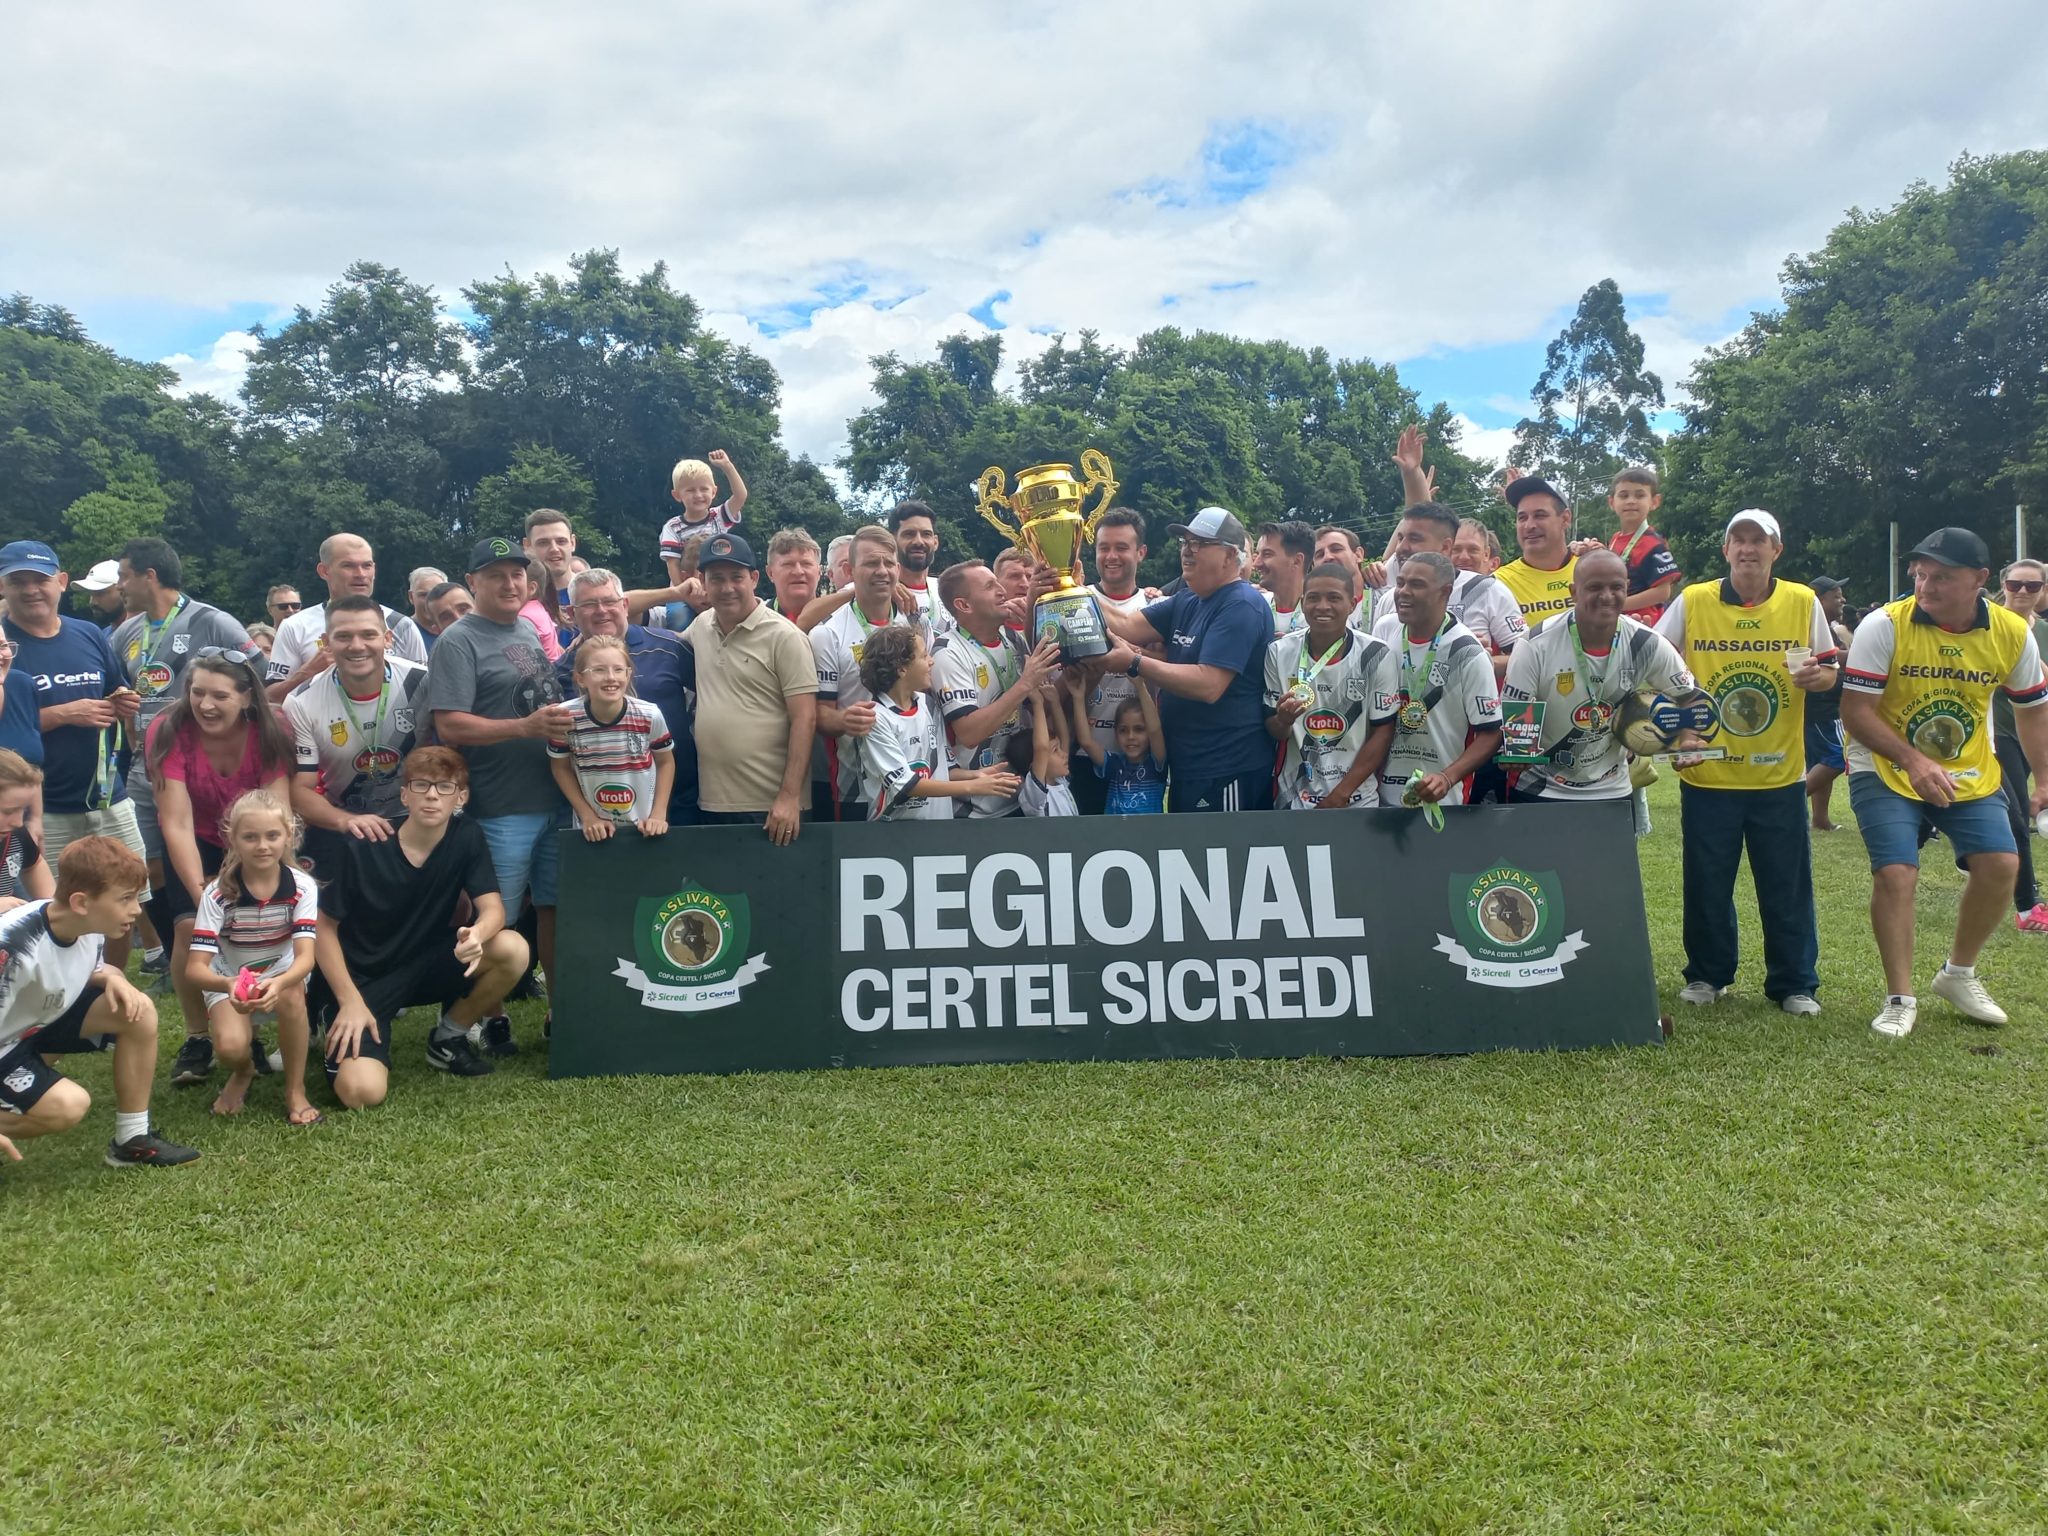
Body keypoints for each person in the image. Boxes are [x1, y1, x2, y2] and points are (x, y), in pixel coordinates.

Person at [1839, 527, 2048, 1037]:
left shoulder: (2012, 632)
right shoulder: (1884, 625)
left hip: (1966, 767)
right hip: (1882, 763)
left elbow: (2033, 711)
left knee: (2002, 864)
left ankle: (1958, 974)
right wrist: (1913, 760)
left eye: (1941, 577)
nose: (1925, 586)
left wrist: (2043, 779)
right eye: (1921, 574)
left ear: (1979, 579)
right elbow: (1856, 711)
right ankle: (1899, 997)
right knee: (1897, 872)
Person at [1654, 512, 1839, 1014]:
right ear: (1726, 550)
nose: (1748, 549)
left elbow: (1828, 670)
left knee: (1786, 884)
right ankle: (1707, 975)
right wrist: (1681, 731)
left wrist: (1818, 679)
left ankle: (1795, 983)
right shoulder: (1694, 599)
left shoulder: (1802, 601)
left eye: (1760, 540)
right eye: (1739, 540)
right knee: (1707, 882)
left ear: (1777, 550)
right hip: (1709, 773)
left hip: (1778, 773)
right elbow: (1657, 663)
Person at [425, 537, 572, 1056]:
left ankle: (560, 1011)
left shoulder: (527, 629)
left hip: (551, 798)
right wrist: (523, 727)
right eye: (495, 575)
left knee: (553, 908)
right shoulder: (458, 640)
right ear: (473, 583)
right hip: (499, 804)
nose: (509, 584)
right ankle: (484, 1017)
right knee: (496, 920)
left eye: (516, 574)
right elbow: (449, 724)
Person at [315, 748, 530, 1101]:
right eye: (421, 785)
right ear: (404, 795)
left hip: (422, 964)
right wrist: (349, 1000)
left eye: (445, 787)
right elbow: (323, 930)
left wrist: (477, 934)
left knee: (512, 948)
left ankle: (448, 1038)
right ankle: (331, 1018)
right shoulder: (365, 845)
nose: (432, 795)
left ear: (461, 798)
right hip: (361, 979)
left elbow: (493, 908)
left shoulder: (466, 836)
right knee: (361, 1093)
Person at [0, 837, 199, 1168]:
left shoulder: (87, 923)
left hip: (30, 1026)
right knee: (67, 1106)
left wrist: (112, 977)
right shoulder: (13, 948)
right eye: (125, 899)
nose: (136, 909)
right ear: (81, 902)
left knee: (138, 1011)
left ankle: (132, 1140)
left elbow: (84, 966)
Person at [149, 651, 295, 1087]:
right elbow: (176, 822)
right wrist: (206, 900)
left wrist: (274, 879)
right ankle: (197, 1036)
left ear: (247, 696)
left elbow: (278, 813)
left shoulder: (272, 728)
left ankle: (254, 1024)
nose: (205, 705)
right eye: (197, 693)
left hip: (255, 837)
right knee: (189, 929)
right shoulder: (168, 728)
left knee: (258, 923)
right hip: (194, 835)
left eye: (219, 696)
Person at [1, 541, 147, 961]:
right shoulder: (4, 644)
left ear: (62, 582)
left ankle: (109, 980)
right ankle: (56, 986)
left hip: (106, 793)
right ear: (3, 588)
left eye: (41, 580)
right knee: (50, 912)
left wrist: (123, 700)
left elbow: (113, 687)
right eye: (18, 581)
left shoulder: (86, 633)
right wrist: (64, 714)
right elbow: (13, 725)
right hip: (41, 805)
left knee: (123, 897)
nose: (31, 589)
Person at [1099, 506, 1276, 813]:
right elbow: (1125, 625)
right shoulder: (1188, 599)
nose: (1187, 551)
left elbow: (1209, 684)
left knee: (1222, 846)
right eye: (1185, 542)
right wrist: (1069, 589)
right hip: (1189, 767)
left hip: (1227, 770)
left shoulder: (1242, 604)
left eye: (1200, 544)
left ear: (1230, 556)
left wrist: (1135, 663)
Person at [109, 538, 253, 909]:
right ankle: (163, 937)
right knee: (143, 868)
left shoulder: (214, 622)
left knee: (199, 851)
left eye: (124, 576)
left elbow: (260, 680)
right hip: (144, 765)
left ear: (149, 576)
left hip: (196, 765)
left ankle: (209, 923)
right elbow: (116, 690)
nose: (119, 586)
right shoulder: (125, 632)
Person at [1502, 550, 1697, 806]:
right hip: (1540, 789)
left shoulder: (1645, 643)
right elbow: (1518, 724)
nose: (1606, 596)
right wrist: (1518, 752)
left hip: (1612, 789)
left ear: (1626, 588)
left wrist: (1689, 738)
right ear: (1574, 592)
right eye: (1594, 587)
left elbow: (1690, 696)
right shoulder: (1535, 644)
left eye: (1616, 587)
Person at [183, 790, 319, 1123]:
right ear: (232, 838)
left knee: (292, 997)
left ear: (289, 835)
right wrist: (228, 984)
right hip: (229, 974)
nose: (262, 846)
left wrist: (280, 983)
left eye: (272, 835)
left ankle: (295, 1090)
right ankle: (243, 1070)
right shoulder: (217, 893)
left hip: (282, 971)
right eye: (250, 837)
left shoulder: (303, 886)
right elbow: (195, 969)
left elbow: (305, 959)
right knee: (230, 1047)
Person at [684, 534, 817, 845]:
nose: (727, 588)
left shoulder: (785, 636)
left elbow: (805, 719)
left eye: (737, 577)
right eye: (717, 579)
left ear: (755, 579)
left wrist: (789, 797)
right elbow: (646, 634)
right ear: (703, 582)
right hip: (712, 803)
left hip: (772, 808)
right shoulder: (701, 626)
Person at [283, 596, 429, 876]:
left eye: (368, 635)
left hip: (419, 817)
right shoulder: (301, 701)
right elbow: (300, 790)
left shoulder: (422, 680)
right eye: (344, 637)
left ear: (387, 639)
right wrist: (345, 821)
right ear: (326, 643)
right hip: (349, 822)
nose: (357, 645)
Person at [556, 569, 699, 825]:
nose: (601, 610)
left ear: (625, 605)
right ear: (572, 613)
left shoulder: (670, 647)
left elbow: (712, 692)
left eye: (609, 601)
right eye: (589, 604)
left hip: (681, 799)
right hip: (604, 814)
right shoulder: (565, 669)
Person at [1369, 553, 1502, 808]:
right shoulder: (1385, 629)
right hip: (1380, 796)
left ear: (1445, 592)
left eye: (1416, 585)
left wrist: (1447, 777)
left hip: (1442, 801)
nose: (1403, 592)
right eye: (1400, 583)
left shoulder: (1468, 652)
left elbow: (1491, 733)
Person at [1265, 562, 1399, 809]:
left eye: (1334, 598)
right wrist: (1283, 720)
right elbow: (1275, 731)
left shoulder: (1376, 655)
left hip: (1356, 799)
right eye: (1313, 598)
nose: (1322, 606)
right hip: (1295, 798)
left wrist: (1340, 795)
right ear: (1302, 602)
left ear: (1352, 604)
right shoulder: (1278, 652)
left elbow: (1383, 732)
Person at [932, 560, 1059, 821]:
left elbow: (1037, 705)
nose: (1002, 591)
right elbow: (969, 733)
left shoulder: (1013, 639)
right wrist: (1025, 684)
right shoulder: (948, 652)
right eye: (990, 586)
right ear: (964, 605)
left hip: (1019, 797)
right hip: (974, 810)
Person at [852, 626, 1015, 820]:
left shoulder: (928, 705)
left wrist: (977, 776)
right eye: (924, 656)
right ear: (901, 668)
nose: (932, 661)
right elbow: (906, 785)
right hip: (893, 833)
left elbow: (944, 770)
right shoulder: (875, 719)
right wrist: (972, 786)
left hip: (939, 828)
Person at [812, 527, 914, 820]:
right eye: (871, 563)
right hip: (855, 788)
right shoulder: (827, 634)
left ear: (898, 569)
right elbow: (819, 714)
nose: (882, 571)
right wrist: (844, 719)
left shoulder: (915, 627)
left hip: (916, 778)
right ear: (850, 571)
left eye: (888, 563)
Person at [1364, 502, 1526, 678]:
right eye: (1400, 538)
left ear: (1446, 546)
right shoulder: (1390, 598)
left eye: (1415, 539)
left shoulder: (1488, 590)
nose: (1402, 547)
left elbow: (1525, 657)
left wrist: (1476, 660)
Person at [264, 533, 428, 702]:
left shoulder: (401, 624)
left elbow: (425, 691)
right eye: (348, 566)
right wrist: (308, 673)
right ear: (324, 571)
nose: (360, 574)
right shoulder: (295, 626)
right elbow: (270, 698)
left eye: (367, 566)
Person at [548, 635, 675, 839]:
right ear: (580, 678)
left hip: (644, 829)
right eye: (599, 670)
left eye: (618, 669)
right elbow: (560, 767)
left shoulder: (649, 715)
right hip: (594, 831)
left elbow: (665, 762)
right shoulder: (565, 718)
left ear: (628, 674)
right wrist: (587, 816)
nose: (610, 677)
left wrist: (658, 814)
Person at [1071, 509, 1153, 813]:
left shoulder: (1155, 606)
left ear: (1141, 552)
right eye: (1103, 547)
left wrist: (1130, 656)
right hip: (1084, 753)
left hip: (1143, 759)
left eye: (1121, 547)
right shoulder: (1074, 601)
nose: (1111, 556)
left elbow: (1171, 661)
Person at [1990, 558, 2048, 932]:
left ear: (2043, 590)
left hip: (2033, 733)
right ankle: (2028, 906)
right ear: (2003, 586)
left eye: (2033, 585)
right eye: (2015, 585)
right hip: (1996, 733)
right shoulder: (1990, 625)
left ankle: (1972, 855)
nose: (2023, 592)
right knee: (2016, 816)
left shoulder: (2042, 631)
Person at [1067, 673, 1167, 815]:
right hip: (1113, 829)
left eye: (1139, 729)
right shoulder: (1114, 764)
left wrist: (1140, 687)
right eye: (1123, 730)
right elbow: (1086, 741)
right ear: (1116, 733)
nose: (1131, 736)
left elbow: (1155, 730)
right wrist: (1078, 698)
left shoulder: (1156, 764)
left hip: (1148, 829)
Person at [1803, 576, 1855, 831]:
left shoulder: (1826, 627)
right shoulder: (1808, 625)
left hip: (1821, 707)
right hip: (1821, 707)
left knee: (1819, 762)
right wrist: (1866, 653)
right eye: (1836, 596)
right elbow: (1829, 659)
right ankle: (1784, 802)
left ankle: (1820, 819)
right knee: (1839, 756)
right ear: (1819, 599)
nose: (1842, 600)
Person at [1495, 475, 1580, 626]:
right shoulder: (1499, 583)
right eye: (1522, 518)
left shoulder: (1592, 571)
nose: (1529, 525)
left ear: (1565, 519)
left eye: (1540, 515)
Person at [1602, 466, 1681, 624]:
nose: (1631, 501)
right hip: (1618, 621)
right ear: (1612, 502)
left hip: (1645, 624)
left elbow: (1663, 592)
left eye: (1639, 495)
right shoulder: (1615, 539)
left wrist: (1618, 604)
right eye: (1624, 495)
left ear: (1654, 501)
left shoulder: (1654, 544)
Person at [661, 450, 748, 584]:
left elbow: (740, 496)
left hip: (717, 584)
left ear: (713, 492)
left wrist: (727, 466)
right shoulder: (673, 527)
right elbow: (672, 563)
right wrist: (682, 592)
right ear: (677, 495)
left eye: (704, 489)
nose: (698, 495)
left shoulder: (719, 517)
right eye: (690, 490)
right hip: (687, 587)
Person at [0, 750, 53, 907]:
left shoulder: (15, 836)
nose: (18, 822)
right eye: (8, 812)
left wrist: (50, 906)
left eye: (23, 809)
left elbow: (34, 865)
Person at [1017, 683, 1078, 817]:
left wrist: (1055, 703)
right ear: (1034, 763)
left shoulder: (1060, 780)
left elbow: (1064, 737)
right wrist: (1038, 704)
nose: (1064, 754)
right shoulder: (1034, 795)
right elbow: (1042, 749)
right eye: (1055, 750)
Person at [888, 502, 949, 634]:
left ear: (935, 542)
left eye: (926, 534)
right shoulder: (874, 592)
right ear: (892, 541)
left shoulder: (948, 590)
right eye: (909, 534)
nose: (918, 542)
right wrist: (886, 586)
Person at [523, 510, 578, 648]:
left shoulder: (596, 594)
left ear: (573, 543)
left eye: (561, 541)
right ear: (527, 546)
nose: (554, 549)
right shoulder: (518, 600)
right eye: (543, 543)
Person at [1252, 521, 1314, 637]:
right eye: (1258, 554)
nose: (1256, 563)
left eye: (1267, 554)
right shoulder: (1254, 606)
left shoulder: (1319, 613)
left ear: (1297, 561)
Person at [764, 529, 823, 619]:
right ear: (770, 573)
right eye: (788, 564)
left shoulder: (839, 619)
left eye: (806, 564)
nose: (798, 572)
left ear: (819, 572)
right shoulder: (756, 620)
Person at [75, 559, 126, 626]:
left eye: (100, 593)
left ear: (123, 590)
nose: (92, 602)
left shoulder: (138, 630)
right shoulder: (104, 632)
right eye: (91, 594)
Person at [407, 567, 448, 647]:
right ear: (411, 597)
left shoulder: (457, 633)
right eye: (423, 595)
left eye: (437, 594)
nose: (430, 601)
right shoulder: (401, 634)